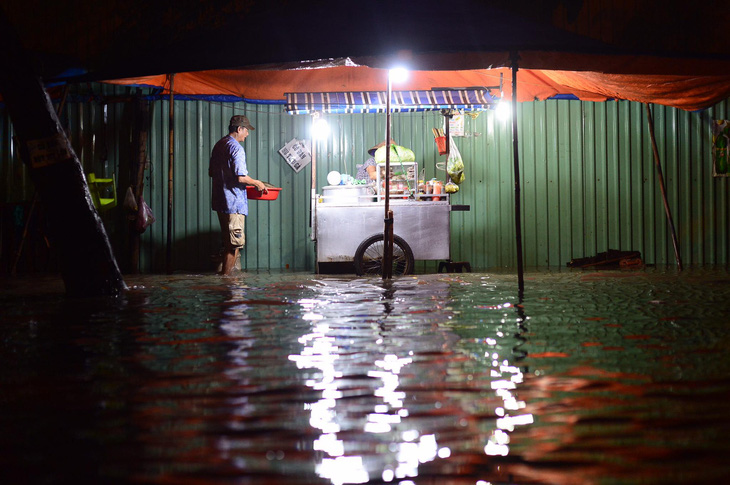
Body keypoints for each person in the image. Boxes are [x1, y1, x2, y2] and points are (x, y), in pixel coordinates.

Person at [209, 114, 268, 275]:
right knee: (234, 245)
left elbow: (211, 172)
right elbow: (241, 177)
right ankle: (226, 282)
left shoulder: (219, 145)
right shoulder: (236, 148)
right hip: (234, 204)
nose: (247, 134)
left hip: (220, 201)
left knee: (228, 241)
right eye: (246, 130)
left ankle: (226, 280)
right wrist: (257, 183)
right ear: (239, 129)